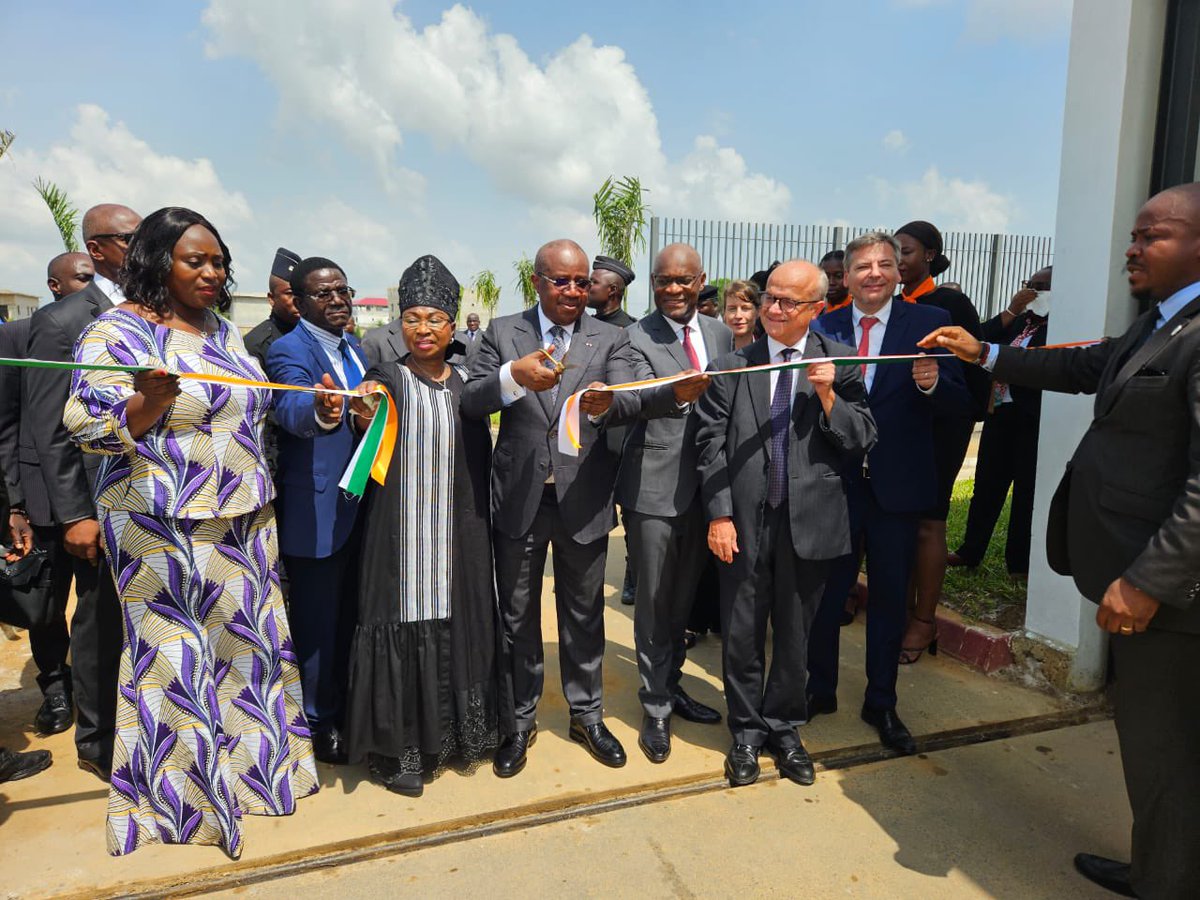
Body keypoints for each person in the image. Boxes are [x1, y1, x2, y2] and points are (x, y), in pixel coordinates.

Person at [922, 183, 1200, 899]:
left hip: (1169, 594)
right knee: (1154, 743)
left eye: (1153, 236)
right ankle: (1160, 864)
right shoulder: (1160, 324)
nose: (1132, 249)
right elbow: (1083, 367)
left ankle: (1164, 881)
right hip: (1141, 577)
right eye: (1135, 235)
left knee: (1163, 745)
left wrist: (1147, 581)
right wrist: (983, 350)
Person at [63, 206, 317, 858]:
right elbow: (88, 427)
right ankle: (185, 812)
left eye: (218, 260)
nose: (212, 272)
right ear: (157, 262)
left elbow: (245, 413)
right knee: (175, 670)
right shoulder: (118, 332)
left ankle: (249, 782)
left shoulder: (225, 331)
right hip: (159, 526)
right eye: (194, 260)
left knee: (241, 658)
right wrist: (147, 400)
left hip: (242, 524)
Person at [462, 239, 640, 777]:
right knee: (517, 615)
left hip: (582, 498)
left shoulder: (611, 337)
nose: (572, 291)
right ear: (537, 282)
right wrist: (513, 377)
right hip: (519, 499)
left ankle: (587, 715)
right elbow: (470, 400)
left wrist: (610, 402)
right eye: (560, 281)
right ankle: (519, 722)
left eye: (581, 282)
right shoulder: (501, 333)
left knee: (583, 615)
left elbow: (634, 395)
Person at [697, 260, 876, 787]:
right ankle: (747, 732)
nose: (772, 310)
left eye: (786, 302)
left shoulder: (840, 362)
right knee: (742, 631)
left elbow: (861, 437)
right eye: (768, 298)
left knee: (797, 635)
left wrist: (827, 396)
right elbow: (708, 444)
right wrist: (720, 514)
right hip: (745, 523)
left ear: (816, 309)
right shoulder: (735, 364)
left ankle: (785, 727)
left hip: (811, 522)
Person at [344, 255, 513, 797]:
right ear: (399, 322)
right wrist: (358, 410)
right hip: (399, 534)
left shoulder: (468, 380)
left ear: (452, 322)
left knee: (456, 621)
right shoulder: (386, 376)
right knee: (400, 622)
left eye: (435, 319)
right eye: (412, 318)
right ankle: (399, 752)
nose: (423, 329)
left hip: (457, 531)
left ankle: (456, 738)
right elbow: (364, 413)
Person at [807, 231, 971, 756]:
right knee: (827, 597)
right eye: (862, 266)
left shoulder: (927, 326)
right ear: (847, 277)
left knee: (887, 601)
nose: (873, 273)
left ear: (900, 272)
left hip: (898, 490)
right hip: (835, 486)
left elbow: (960, 404)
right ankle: (818, 690)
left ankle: (881, 701)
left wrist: (930, 384)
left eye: (884, 264)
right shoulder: (823, 325)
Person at [25, 202, 142, 781]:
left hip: (150, 501)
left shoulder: (154, 314)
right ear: (96, 249)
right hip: (96, 505)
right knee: (100, 622)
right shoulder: (65, 320)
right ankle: (98, 742)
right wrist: (75, 514)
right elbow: (50, 430)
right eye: (129, 239)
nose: (142, 246)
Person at [615, 243, 731, 764]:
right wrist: (680, 392)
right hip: (655, 491)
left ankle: (673, 683)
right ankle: (655, 704)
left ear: (700, 280)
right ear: (653, 285)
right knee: (656, 604)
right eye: (665, 281)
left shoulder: (721, 333)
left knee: (684, 603)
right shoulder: (634, 337)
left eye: (685, 281)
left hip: (710, 491)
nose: (676, 290)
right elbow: (630, 398)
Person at [266, 256, 367, 766]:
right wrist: (323, 412)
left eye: (343, 291)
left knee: (351, 614)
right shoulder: (288, 349)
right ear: (299, 302)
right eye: (324, 294)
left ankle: (348, 705)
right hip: (317, 511)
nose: (337, 301)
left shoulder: (357, 347)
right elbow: (291, 407)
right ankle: (316, 718)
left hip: (362, 505)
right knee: (316, 622)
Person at [0, 253, 97, 738]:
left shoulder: (108, 332)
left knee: (98, 602)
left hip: (97, 493)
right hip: (40, 496)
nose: (89, 286)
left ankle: (95, 684)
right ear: (54, 285)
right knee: (47, 600)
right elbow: (8, 424)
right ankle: (55, 685)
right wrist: (15, 504)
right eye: (80, 278)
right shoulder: (17, 338)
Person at [894, 221, 989, 665]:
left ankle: (924, 620)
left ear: (929, 255)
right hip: (903, 423)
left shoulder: (949, 303)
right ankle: (903, 610)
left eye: (906, 251)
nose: (897, 259)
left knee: (929, 522)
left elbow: (970, 371)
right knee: (904, 521)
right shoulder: (894, 306)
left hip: (942, 424)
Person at [949, 266, 1052, 576]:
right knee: (987, 485)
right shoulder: (1020, 320)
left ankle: (1018, 562)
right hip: (1000, 412)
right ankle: (970, 550)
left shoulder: (1059, 326)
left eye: (1041, 286)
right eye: (1029, 284)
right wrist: (1012, 309)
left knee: (1025, 491)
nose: (1032, 291)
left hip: (1031, 415)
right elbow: (981, 340)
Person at [243, 247, 301, 368]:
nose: (297, 300)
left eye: (300, 293)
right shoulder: (256, 344)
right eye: (290, 293)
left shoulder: (313, 336)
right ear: (271, 299)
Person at [587, 255, 637, 327]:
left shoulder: (629, 331)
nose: (587, 286)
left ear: (613, 289)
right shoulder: (585, 325)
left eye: (594, 282)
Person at [721, 279, 761, 350]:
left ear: (758, 312)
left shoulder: (767, 352)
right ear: (724, 313)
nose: (738, 316)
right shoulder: (712, 351)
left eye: (745, 308)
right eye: (732, 309)